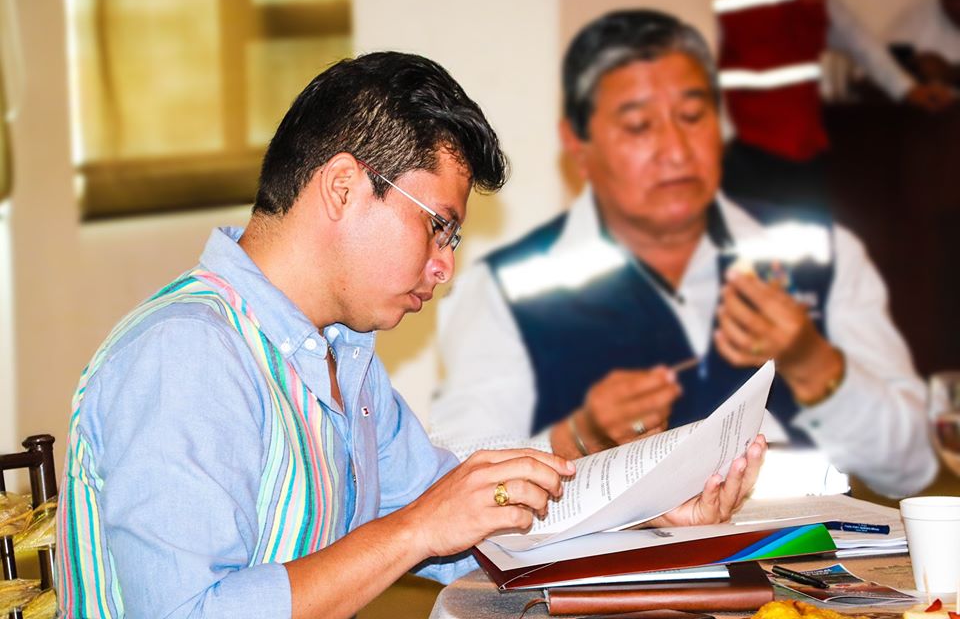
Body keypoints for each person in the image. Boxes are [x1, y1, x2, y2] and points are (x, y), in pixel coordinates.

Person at [54, 52, 764, 619]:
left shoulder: (344, 358)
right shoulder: (187, 352)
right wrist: (415, 528)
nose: (445, 266)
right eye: (438, 226)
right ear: (342, 187)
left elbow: (474, 529)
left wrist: (650, 518)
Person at [430, 11, 937, 500]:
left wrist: (814, 364)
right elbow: (455, 480)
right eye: (638, 125)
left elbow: (912, 468)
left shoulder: (817, 251)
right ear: (578, 144)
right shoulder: (506, 288)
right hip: (615, 564)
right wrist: (574, 439)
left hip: (813, 557)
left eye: (693, 117)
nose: (675, 149)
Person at [717, 0, 955, 210]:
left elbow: (861, 44)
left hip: (802, 153)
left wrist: (907, 89)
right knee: (747, 236)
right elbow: (715, 69)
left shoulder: (816, 3)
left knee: (809, 236)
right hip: (749, 153)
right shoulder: (736, 1)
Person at [887, 0, 960, 88]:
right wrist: (915, 65)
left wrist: (949, 73)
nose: (957, 5)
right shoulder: (925, 9)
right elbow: (891, 56)